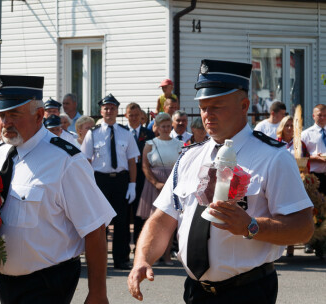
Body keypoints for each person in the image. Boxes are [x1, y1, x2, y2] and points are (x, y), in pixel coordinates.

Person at [128, 59, 314, 303]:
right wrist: (142, 259)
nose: (207, 115)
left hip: (247, 291)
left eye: (217, 106)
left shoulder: (274, 158)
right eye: (204, 107)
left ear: (244, 105)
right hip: (195, 292)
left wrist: (251, 226)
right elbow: (163, 219)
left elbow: (303, 227)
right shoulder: (189, 157)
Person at [0, 75, 115, 304]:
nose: (6, 122)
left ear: (39, 115)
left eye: (14, 114)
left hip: (48, 282)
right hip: (6, 281)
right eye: (2, 115)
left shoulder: (66, 161)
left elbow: (94, 228)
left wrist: (98, 293)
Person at [81, 93, 140, 270]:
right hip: (100, 181)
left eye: (112, 108)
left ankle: (121, 259)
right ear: (101, 111)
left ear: (117, 111)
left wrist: (132, 184)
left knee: (121, 221)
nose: (109, 111)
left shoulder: (125, 133)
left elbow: (131, 161)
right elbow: (86, 161)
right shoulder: (93, 134)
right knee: (101, 223)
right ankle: (100, 260)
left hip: (121, 180)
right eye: (106, 108)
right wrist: (89, 185)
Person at [136, 112, 182, 265]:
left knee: (170, 220)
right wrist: (155, 183)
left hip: (172, 184)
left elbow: (181, 167)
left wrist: (171, 185)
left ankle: (167, 256)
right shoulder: (150, 143)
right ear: (157, 127)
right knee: (152, 221)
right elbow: (145, 166)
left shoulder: (178, 144)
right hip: (153, 185)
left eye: (169, 126)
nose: (166, 129)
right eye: (163, 126)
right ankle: (150, 257)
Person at [276, 115, 310, 257]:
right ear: (282, 128)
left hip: (297, 181)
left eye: (292, 125)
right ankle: (278, 245)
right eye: (287, 125)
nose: (290, 128)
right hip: (279, 181)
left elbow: (307, 163)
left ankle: (290, 246)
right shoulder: (274, 143)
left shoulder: (300, 144)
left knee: (293, 212)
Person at [125, 103, 155, 257]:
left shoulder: (148, 134)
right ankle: (123, 249)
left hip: (142, 178)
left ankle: (139, 249)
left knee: (139, 215)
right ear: (126, 116)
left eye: (137, 115)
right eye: (131, 115)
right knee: (123, 215)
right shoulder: (122, 132)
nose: (134, 118)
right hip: (125, 178)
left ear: (141, 117)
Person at [301, 104, 326, 194]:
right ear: (313, 116)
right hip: (315, 177)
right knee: (317, 205)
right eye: (319, 115)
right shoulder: (305, 135)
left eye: (325, 115)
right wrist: (313, 158)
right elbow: (299, 157)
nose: (322, 118)